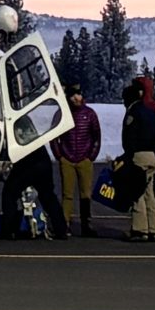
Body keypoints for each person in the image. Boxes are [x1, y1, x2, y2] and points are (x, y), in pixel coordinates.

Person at [118, 73, 155, 242]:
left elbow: (129, 138)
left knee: (136, 192)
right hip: (153, 155)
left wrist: (127, 156)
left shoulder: (133, 113)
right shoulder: (152, 112)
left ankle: (140, 229)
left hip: (139, 155)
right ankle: (154, 228)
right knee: (150, 193)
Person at [55, 85, 102, 236]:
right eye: (73, 95)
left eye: (78, 94)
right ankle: (64, 224)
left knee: (85, 194)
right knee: (67, 194)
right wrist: (60, 157)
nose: (76, 98)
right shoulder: (62, 113)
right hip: (67, 159)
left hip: (84, 159)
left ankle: (86, 224)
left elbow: (96, 137)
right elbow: (54, 137)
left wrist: (90, 157)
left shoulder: (90, 114)